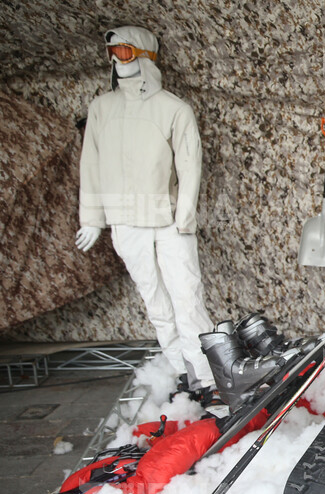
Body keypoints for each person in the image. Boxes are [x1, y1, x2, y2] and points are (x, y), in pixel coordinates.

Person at [76, 25, 216, 397]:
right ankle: (184, 374)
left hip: (168, 220)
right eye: (112, 53)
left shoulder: (173, 109)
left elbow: (190, 167)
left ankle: (210, 378)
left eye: (123, 52)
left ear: (144, 55)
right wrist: (92, 218)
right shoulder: (101, 110)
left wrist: (185, 217)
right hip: (126, 222)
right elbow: (90, 164)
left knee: (188, 298)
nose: (116, 60)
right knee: (155, 302)